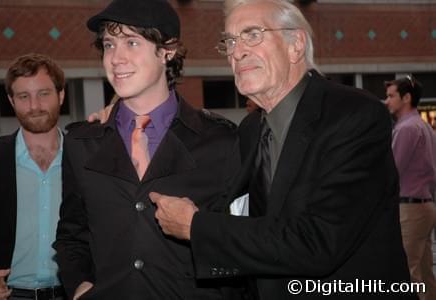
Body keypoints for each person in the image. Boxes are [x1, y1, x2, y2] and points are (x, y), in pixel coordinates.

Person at [150, 0, 417, 299]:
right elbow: (247, 222)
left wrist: (196, 227)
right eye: (230, 41)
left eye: (252, 34)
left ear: (296, 45)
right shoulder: (251, 130)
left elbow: (319, 242)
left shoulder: (354, 115)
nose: (237, 52)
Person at [53, 0, 242, 299]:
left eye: (131, 42)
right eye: (109, 44)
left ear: (168, 50)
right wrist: (78, 284)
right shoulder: (81, 143)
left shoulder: (221, 141)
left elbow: (236, 244)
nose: (116, 58)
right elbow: (72, 234)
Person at [0, 53, 65, 300]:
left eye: (43, 93)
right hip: (6, 295)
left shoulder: (87, 159)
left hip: (74, 292)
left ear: (61, 95)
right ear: (11, 101)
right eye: (23, 96)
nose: (34, 106)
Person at [384, 75, 436, 300]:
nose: (386, 101)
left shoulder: (406, 129)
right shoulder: (423, 126)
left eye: (391, 96)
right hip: (424, 206)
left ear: (406, 98)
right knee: (425, 274)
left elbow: (392, 171)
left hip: (410, 208)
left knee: (408, 274)